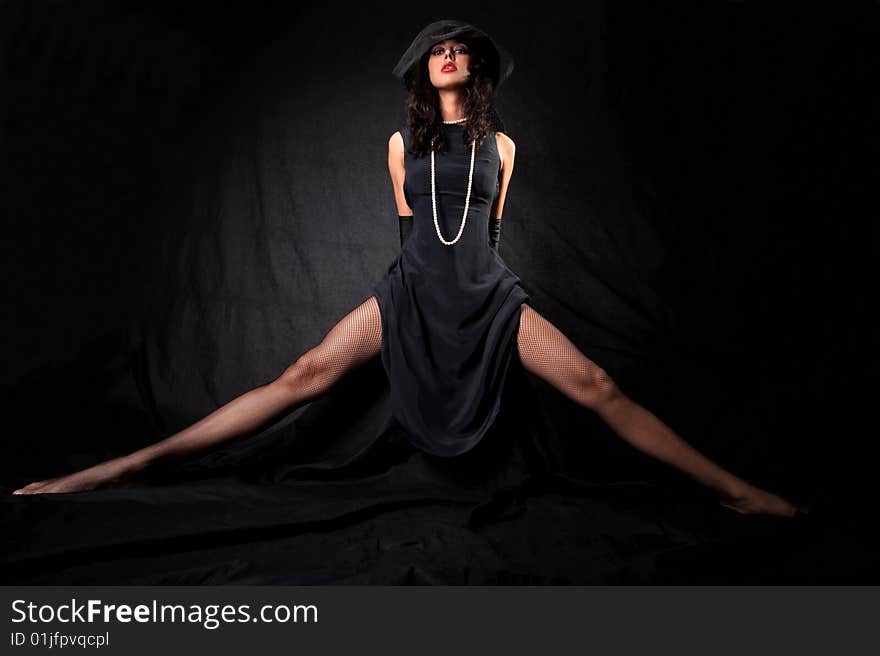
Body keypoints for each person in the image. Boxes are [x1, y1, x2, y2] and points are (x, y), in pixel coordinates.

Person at [11, 19, 806, 518]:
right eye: (437, 50)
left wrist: (477, 291)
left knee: (597, 386)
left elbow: (483, 232)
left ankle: (732, 487)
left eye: (460, 47)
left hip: (484, 291)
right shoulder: (401, 145)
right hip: (413, 289)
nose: (449, 54)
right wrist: (411, 299)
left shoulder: (503, 148)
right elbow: (414, 233)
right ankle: (127, 466)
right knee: (303, 375)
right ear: (423, 72)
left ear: (476, 68)